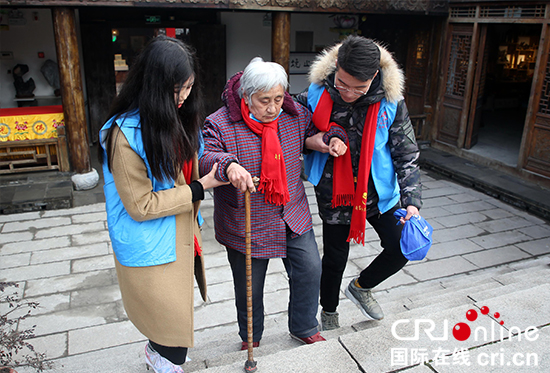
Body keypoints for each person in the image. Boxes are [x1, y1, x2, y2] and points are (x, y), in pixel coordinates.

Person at [99, 36, 226, 373]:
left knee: (175, 322)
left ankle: (158, 353)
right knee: (171, 328)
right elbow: (140, 205)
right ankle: (157, 357)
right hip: (150, 240)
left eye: (188, 88)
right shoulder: (124, 135)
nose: (183, 97)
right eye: (175, 90)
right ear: (152, 85)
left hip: (179, 233)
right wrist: (200, 188)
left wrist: (225, 166)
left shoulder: (180, 116)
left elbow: (196, 159)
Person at [200, 57, 328, 350]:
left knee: (310, 268)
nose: (273, 108)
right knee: (249, 287)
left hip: (290, 211)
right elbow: (206, 156)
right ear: (246, 97)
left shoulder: (294, 116)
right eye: (264, 100)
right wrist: (228, 166)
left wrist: (327, 139)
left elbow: (311, 134)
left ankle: (304, 326)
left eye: (278, 99)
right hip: (247, 218)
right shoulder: (219, 123)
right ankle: (251, 337)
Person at [295, 35, 422, 330]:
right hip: (334, 190)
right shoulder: (315, 93)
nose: (349, 93)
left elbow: (406, 154)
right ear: (336, 66)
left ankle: (362, 286)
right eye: (342, 84)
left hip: (378, 192)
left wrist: (412, 202)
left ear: (374, 76)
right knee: (335, 257)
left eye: (359, 88)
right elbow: (292, 134)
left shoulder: (391, 103)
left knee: (400, 247)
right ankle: (328, 313)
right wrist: (320, 142)